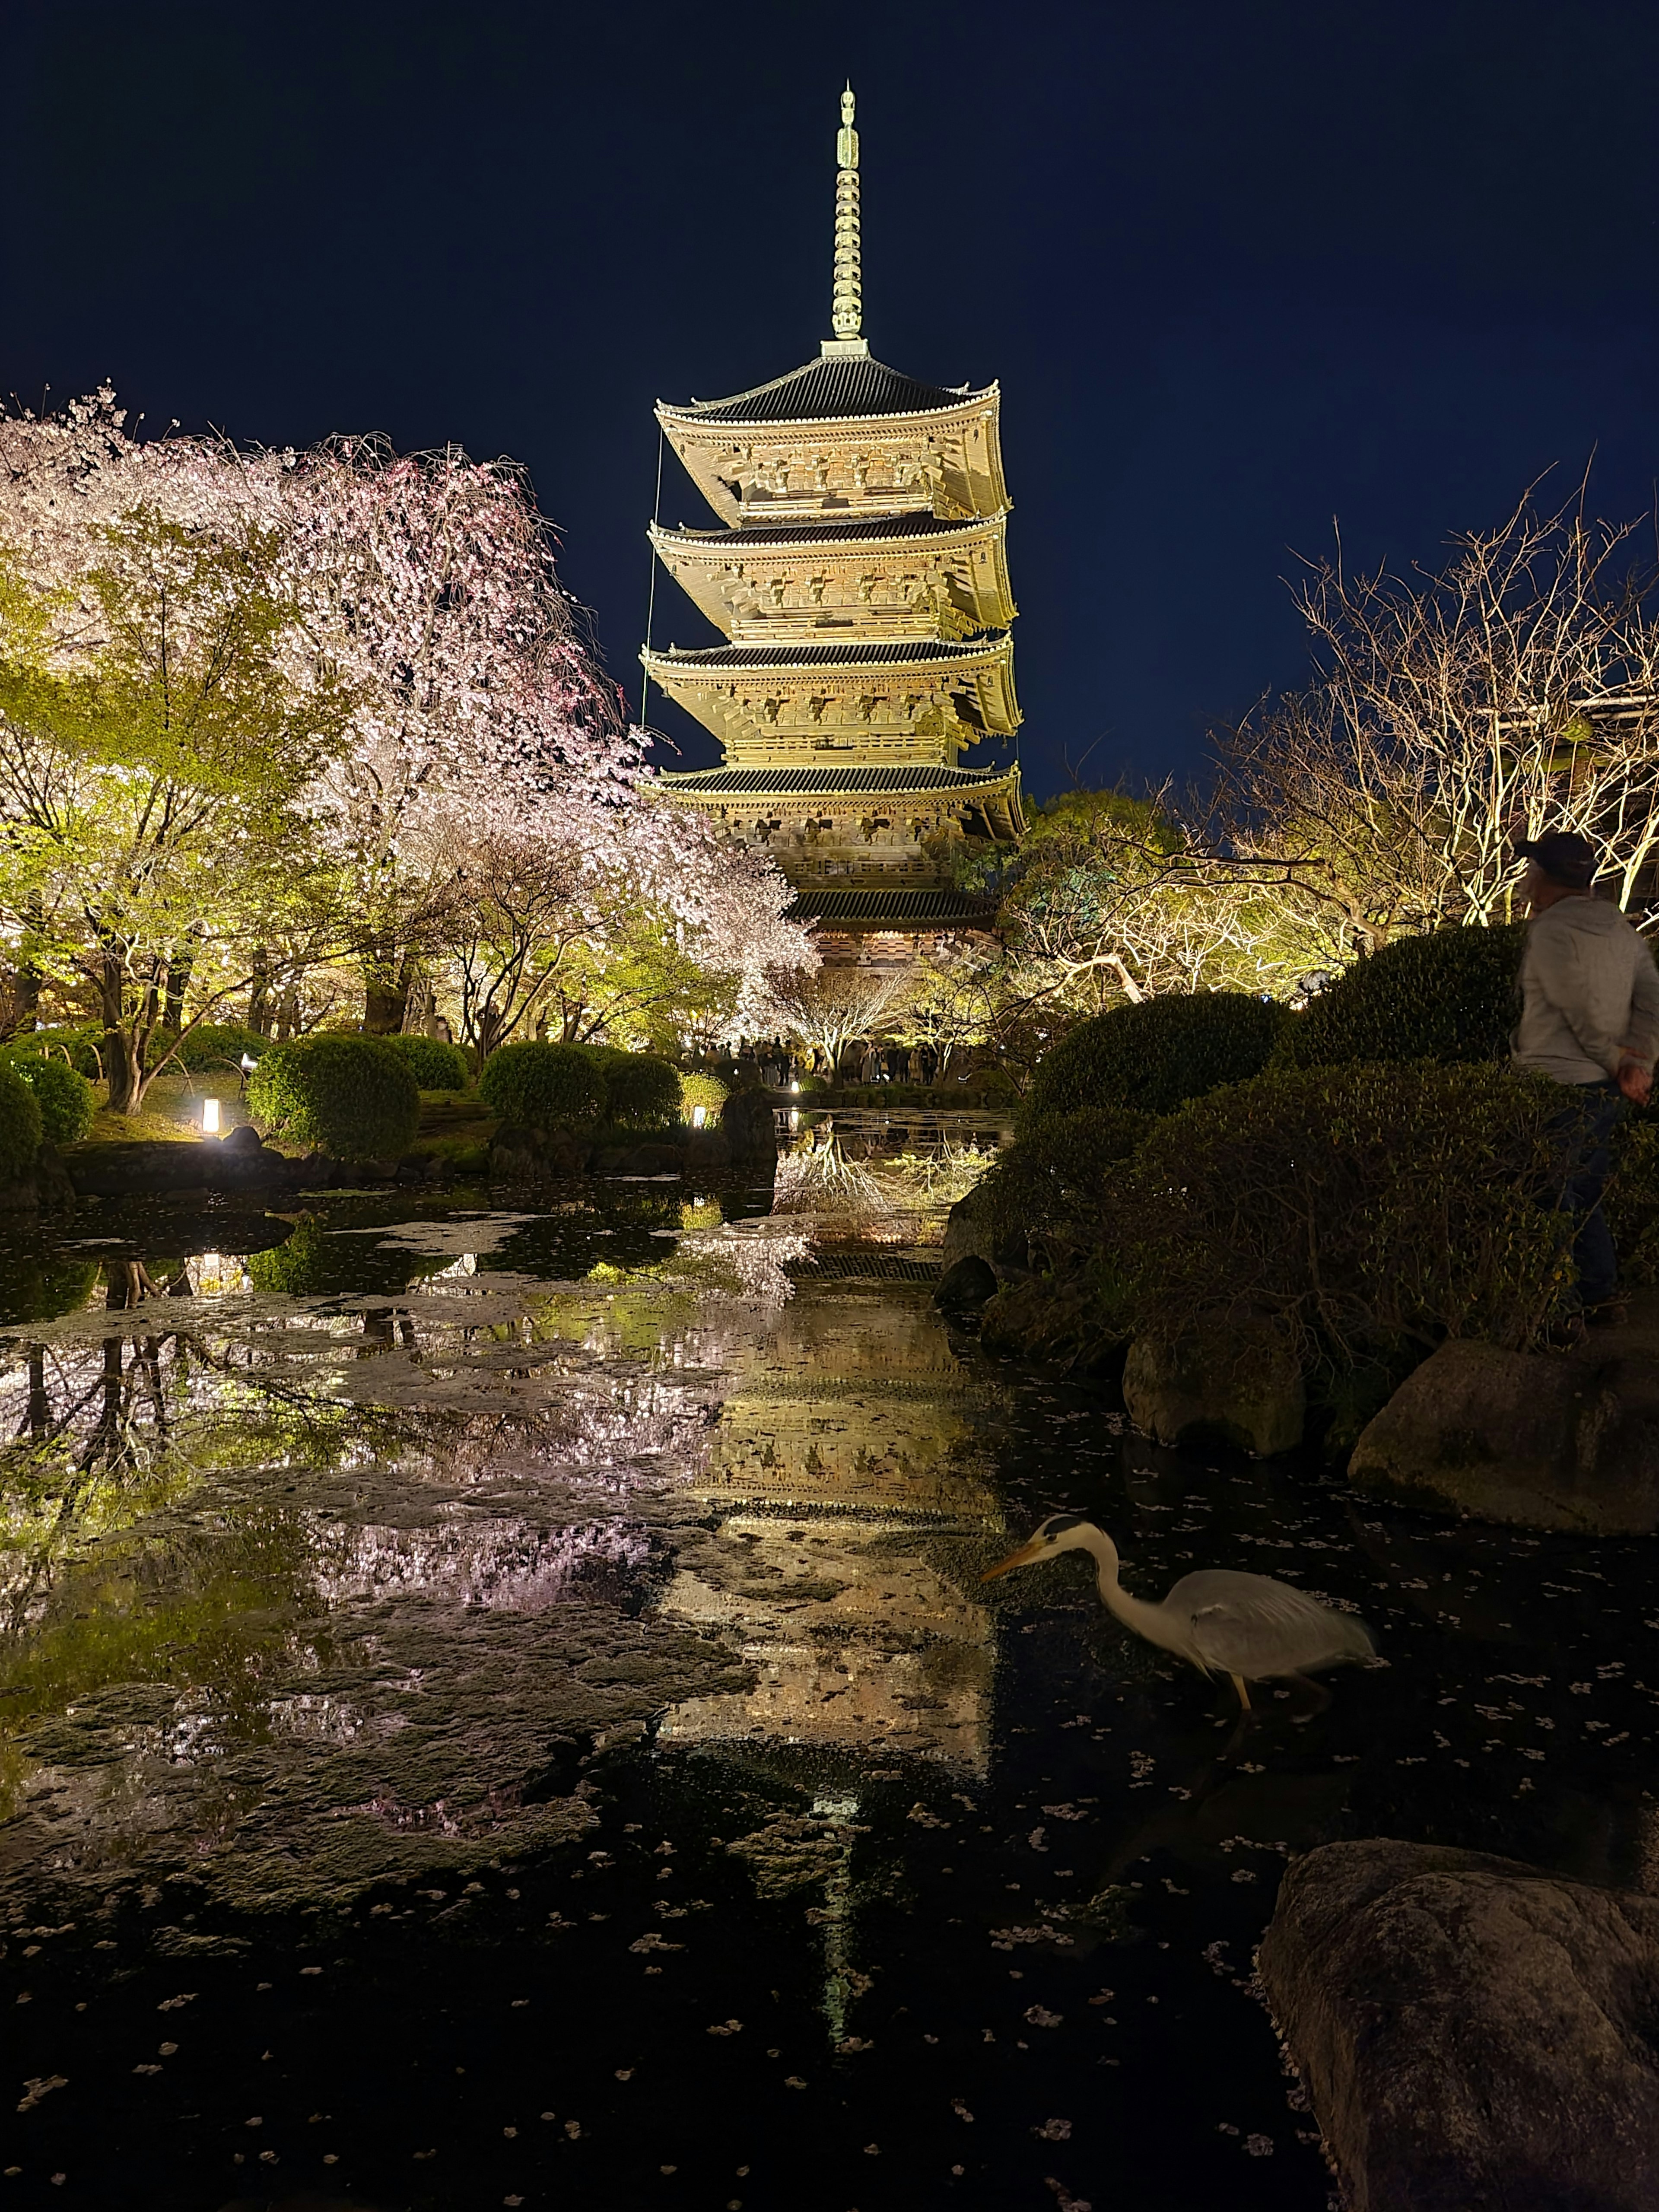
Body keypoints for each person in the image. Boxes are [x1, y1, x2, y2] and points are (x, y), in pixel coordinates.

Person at [1511, 828, 1659, 1322]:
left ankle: (1561, 1309)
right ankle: (1599, 1292)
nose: (1527, 879)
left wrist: (1623, 1062)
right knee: (1583, 1189)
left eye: (1532, 870)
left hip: (1554, 1084)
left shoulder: (1552, 931)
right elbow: (1651, 999)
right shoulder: (1622, 931)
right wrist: (1639, 1065)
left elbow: (1579, 1009)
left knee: (1547, 1191)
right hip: (1604, 1090)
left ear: (1546, 878)